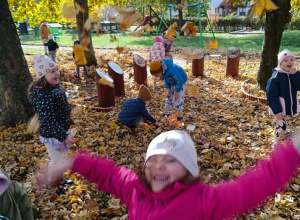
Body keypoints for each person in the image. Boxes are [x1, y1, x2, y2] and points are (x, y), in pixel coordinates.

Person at [45, 129, 300, 220]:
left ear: (188, 170)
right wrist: (70, 163)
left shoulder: (204, 200)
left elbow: (251, 187)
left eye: (170, 161)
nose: (158, 166)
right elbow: (108, 173)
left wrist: (292, 152)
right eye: (153, 160)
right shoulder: (134, 188)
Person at [28, 55, 75, 186]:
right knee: (56, 161)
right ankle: (52, 183)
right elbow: (48, 120)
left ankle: (59, 180)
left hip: (60, 130)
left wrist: (67, 113)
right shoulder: (42, 95)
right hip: (52, 134)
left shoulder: (53, 87)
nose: (57, 73)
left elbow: (58, 106)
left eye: (57, 69)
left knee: (61, 158)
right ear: (43, 75)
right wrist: (63, 136)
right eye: (52, 71)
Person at [266, 49, 300, 144]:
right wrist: (277, 110)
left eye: (291, 60)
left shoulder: (292, 74)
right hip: (279, 108)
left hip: (288, 107)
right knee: (280, 128)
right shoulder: (275, 78)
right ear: (280, 63)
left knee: (284, 128)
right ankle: (277, 147)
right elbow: (271, 96)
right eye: (286, 60)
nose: (289, 62)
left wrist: (295, 75)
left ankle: (283, 140)